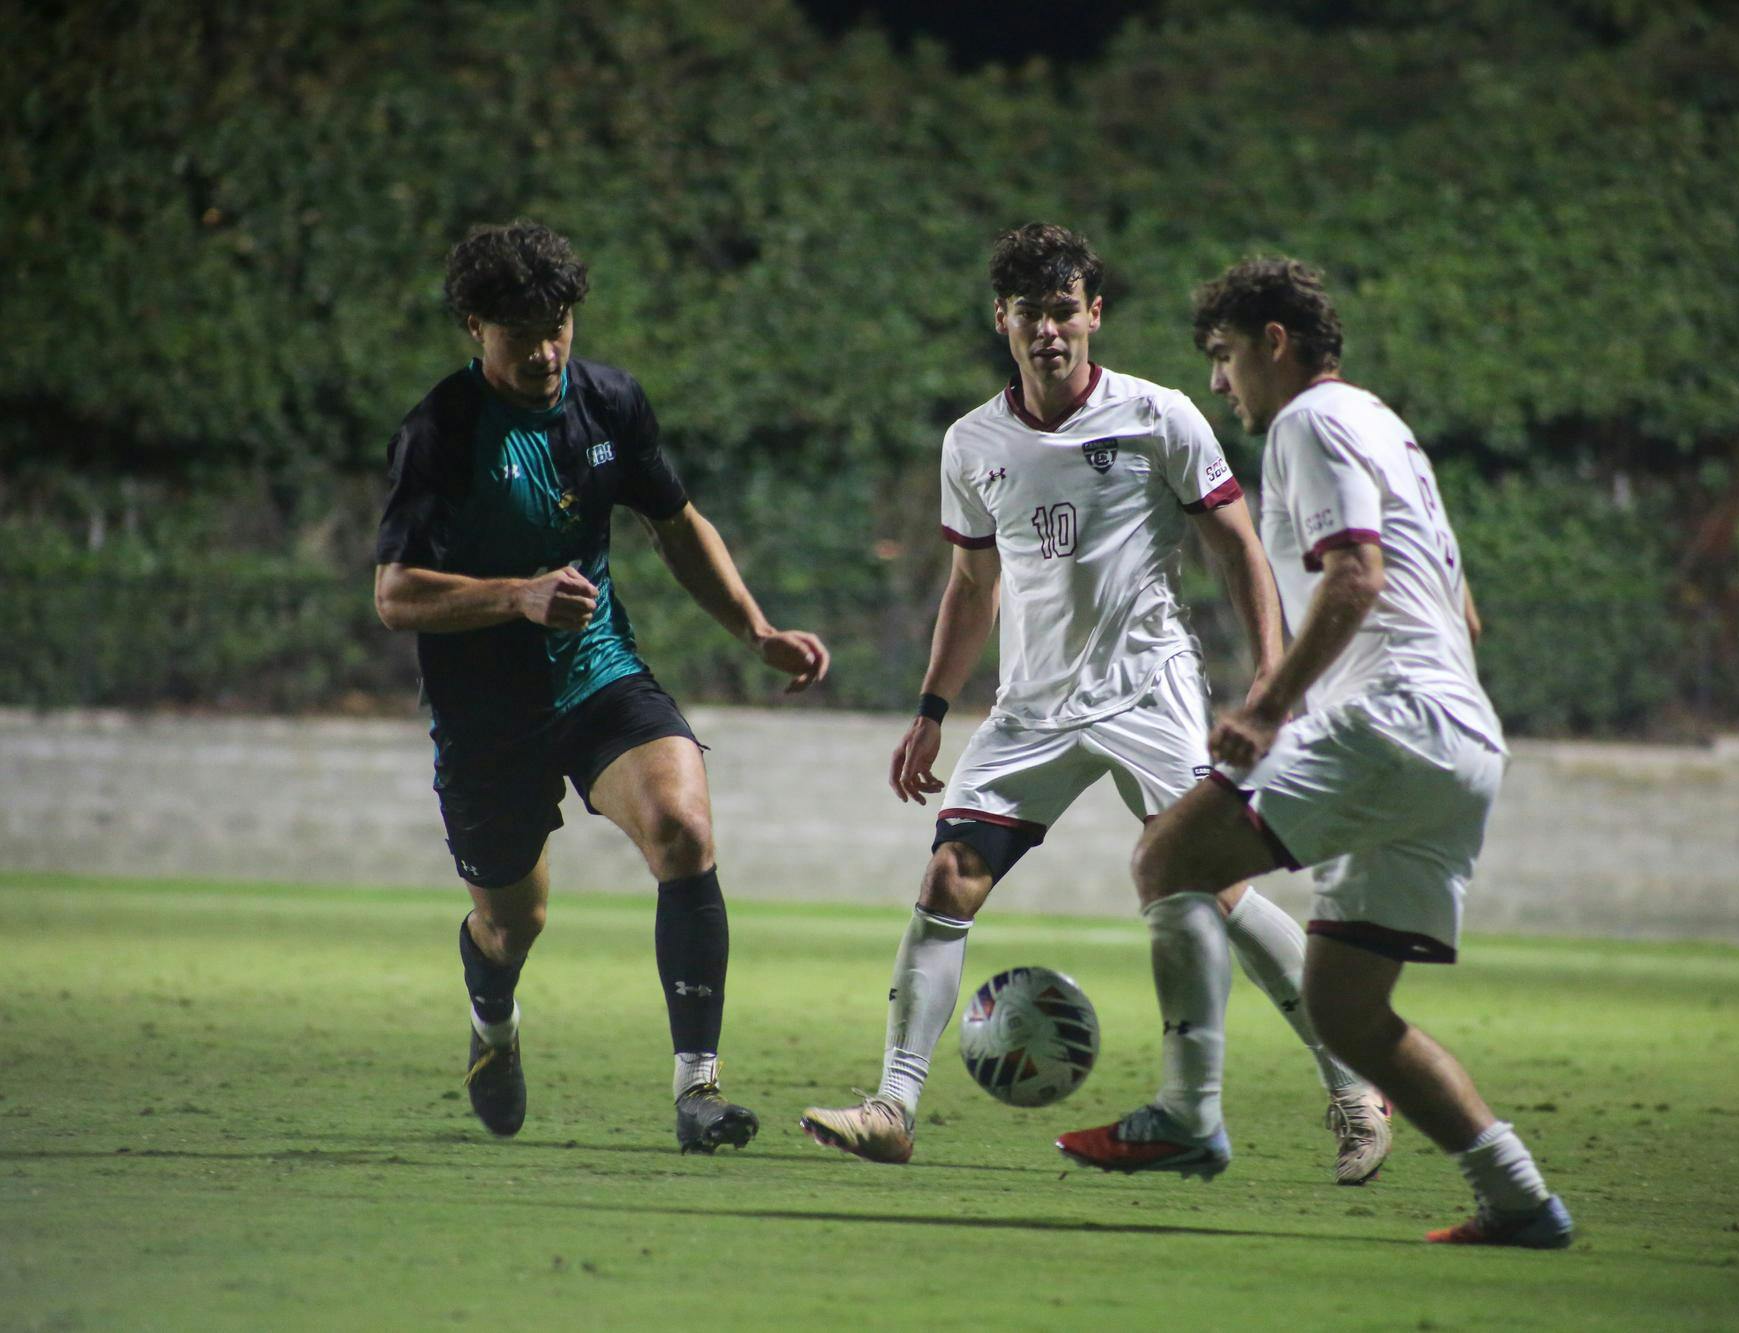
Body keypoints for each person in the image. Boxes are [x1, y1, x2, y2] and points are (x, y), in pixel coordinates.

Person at [800, 224, 1391, 1180]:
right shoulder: (972, 442)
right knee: (949, 874)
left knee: (1221, 890)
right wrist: (931, 707)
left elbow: (1236, 548)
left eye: (1065, 309)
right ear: (1003, 321)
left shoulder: (1158, 417)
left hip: (1146, 689)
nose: (1049, 330)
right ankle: (894, 1106)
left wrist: (1267, 677)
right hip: (1031, 706)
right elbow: (970, 584)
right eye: (1030, 312)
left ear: (1095, 314)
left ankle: (1354, 1088)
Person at [1056, 257, 1572, 1248]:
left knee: (1169, 856)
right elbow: (1455, 606)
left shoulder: (1308, 421)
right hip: (1460, 744)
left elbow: (1354, 577)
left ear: (1272, 342)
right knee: (1343, 1007)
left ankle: (1186, 1113)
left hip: (1389, 722)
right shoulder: (1386, 427)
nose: (1218, 382)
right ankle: (1517, 1198)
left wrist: (1267, 706)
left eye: (1222, 356)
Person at [373, 220, 829, 1152]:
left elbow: (677, 522)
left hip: (598, 676)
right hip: (487, 717)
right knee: (514, 923)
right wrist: (517, 593)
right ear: (474, 325)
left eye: (559, 325)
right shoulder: (440, 432)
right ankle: (492, 1017)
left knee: (684, 826)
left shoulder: (610, 402)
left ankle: (698, 1089)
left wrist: (756, 628)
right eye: (521, 332)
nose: (546, 350)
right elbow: (393, 594)